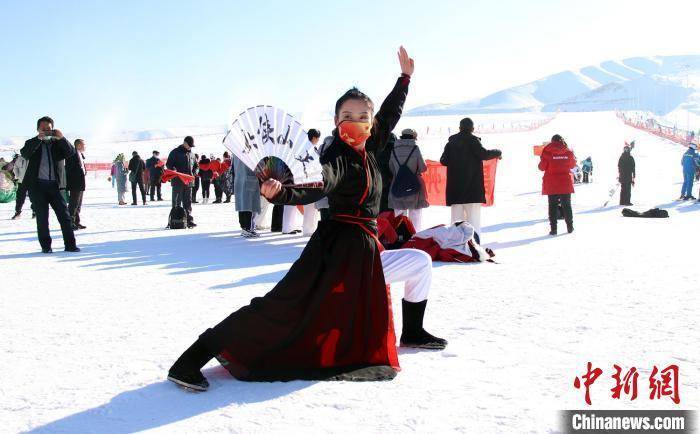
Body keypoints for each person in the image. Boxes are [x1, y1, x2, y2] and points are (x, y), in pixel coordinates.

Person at [168, 47, 446, 392]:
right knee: (280, 306)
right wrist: (281, 193)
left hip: (364, 252)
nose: (355, 120)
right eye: (347, 114)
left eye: (363, 115)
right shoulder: (339, 155)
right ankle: (190, 359)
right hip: (336, 252)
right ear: (336, 120)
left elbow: (390, 114)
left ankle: (414, 331)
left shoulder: (369, 147)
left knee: (419, 262)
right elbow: (320, 183)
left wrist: (404, 80)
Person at [19, 116, 79, 253]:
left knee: (65, 217)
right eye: (43, 128)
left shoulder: (57, 144)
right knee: (42, 218)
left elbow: (71, 152)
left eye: (49, 129)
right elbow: (25, 153)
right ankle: (46, 247)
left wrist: (61, 138)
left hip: (55, 186)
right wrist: (38, 139)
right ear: (38, 129)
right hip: (38, 187)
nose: (46, 131)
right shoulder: (32, 143)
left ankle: (70, 245)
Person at [440, 117, 501, 237]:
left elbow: (443, 161)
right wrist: (497, 152)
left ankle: (455, 247)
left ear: (459, 128)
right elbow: (484, 154)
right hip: (473, 190)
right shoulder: (473, 141)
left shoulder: (450, 143)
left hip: (455, 191)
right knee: (473, 223)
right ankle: (475, 247)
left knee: (456, 224)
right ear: (472, 129)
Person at [388, 128, 428, 231]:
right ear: (414, 137)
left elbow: (391, 168)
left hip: (397, 186)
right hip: (414, 187)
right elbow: (423, 168)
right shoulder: (415, 149)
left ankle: (401, 239)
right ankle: (415, 238)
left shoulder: (394, 149)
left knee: (399, 218)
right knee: (415, 217)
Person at [538, 134, 575, 235]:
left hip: (552, 183)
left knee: (552, 206)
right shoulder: (568, 151)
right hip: (565, 183)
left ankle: (553, 229)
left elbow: (541, 167)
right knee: (567, 205)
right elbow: (572, 165)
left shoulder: (547, 151)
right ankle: (570, 227)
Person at [166, 136, 196, 227]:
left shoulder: (192, 155)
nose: (190, 147)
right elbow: (168, 165)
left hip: (188, 182)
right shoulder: (175, 152)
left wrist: (194, 173)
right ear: (184, 143)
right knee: (176, 202)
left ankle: (188, 220)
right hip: (177, 182)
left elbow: (196, 166)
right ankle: (175, 220)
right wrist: (173, 169)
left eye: (191, 146)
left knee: (188, 202)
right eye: (189, 145)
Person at [233, 154, 262, 237]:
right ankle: (248, 228)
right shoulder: (250, 152)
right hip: (249, 179)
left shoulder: (236, 151)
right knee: (249, 206)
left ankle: (244, 228)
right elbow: (259, 165)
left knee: (242, 205)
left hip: (239, 179)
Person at [301, 129, 322, 235]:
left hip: (309, 179)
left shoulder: (307, 147)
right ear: (314, 138)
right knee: (310, 206)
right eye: (317, 138)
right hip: (310, 179)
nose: (318, 140)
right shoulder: (309, 149)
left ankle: (309, 228)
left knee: (311, 206)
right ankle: (308, 230)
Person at [65, 139, 87, 229]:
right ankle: (70, 223)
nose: (85, 146)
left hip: (80, 182)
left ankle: (76, 222)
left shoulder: (80, 154)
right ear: (78, 145)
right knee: (73, 204)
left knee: (78, 204)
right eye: (83, 144)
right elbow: (69, 168)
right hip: (75, 183)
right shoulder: (72, 154)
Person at [11, 154, 32, 220]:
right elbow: (15, 167)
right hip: (22, 181)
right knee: (20, 198)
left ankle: (35, 211)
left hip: (32, 182)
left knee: (34, 197)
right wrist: (18, 177)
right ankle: (18, 212)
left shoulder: (34, 156)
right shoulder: (20, 158)